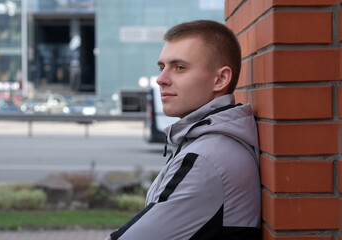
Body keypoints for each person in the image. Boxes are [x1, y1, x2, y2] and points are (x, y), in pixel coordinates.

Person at [107, 20, 261, 240]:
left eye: (179, 67)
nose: (161, 80)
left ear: (220, 79)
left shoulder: (208, 159)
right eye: (162, 67)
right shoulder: (205, 142)